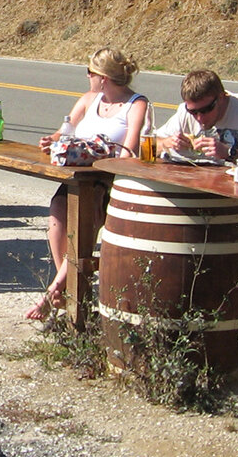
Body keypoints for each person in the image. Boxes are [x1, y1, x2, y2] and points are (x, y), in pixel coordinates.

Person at [26, 48, 151, 324]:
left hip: (109, 181)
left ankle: (55, 290)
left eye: (90, 73)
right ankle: (69, 291)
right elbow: (65, 131)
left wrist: (101, 154)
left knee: (88, 215)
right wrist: (53, 139)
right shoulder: (88, 100)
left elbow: (129, 150)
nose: (87, 78)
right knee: (57, 212)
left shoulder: (136, 104)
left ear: (103, 77)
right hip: (77, 177)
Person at [157, 68, 238, 273]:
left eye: (206, 110)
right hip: (206, 194)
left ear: (222, 98)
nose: (199, 118)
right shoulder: (185, 114)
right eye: (193, 112)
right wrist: (168, 143)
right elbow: (150, 143)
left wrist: (231, 153)